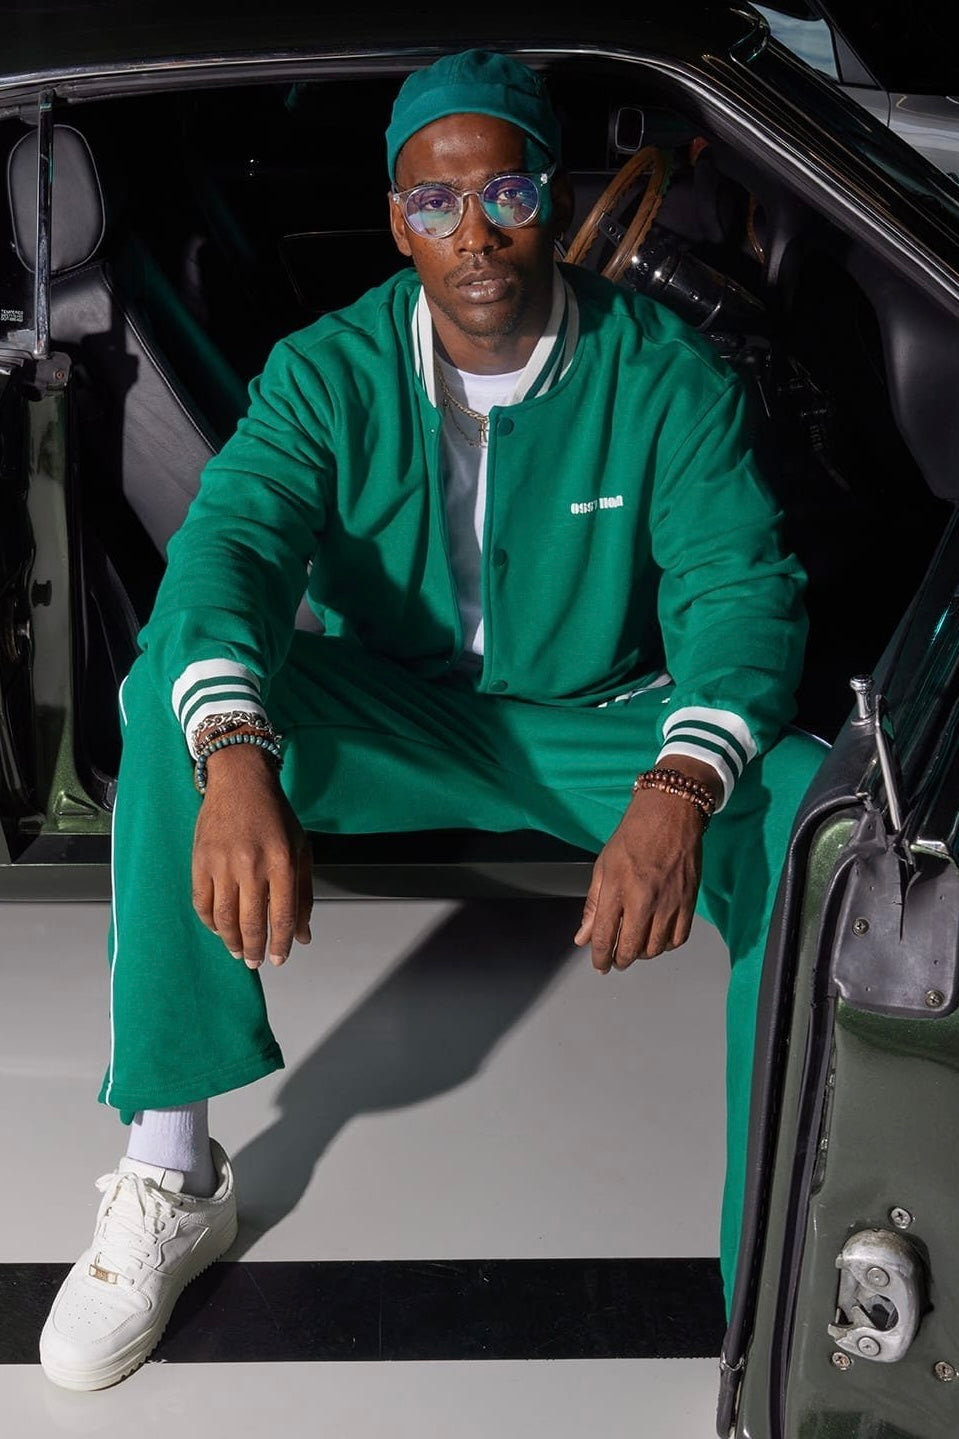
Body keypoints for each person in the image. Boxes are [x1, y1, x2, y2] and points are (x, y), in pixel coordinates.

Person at [39, 49, 825, 1390]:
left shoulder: (661, 372)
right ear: (398, 221)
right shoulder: (328, 370)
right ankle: (171, 1171)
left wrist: (682, 786)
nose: (476, 234)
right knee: (174, 697)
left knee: (811, 814)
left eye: (506, 192)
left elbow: (737, 590)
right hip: (392, 715)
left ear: (552, 195)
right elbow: (229, 554)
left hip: (598, 725)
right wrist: (235, 758)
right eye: (437, 204)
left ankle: (787, 1252)